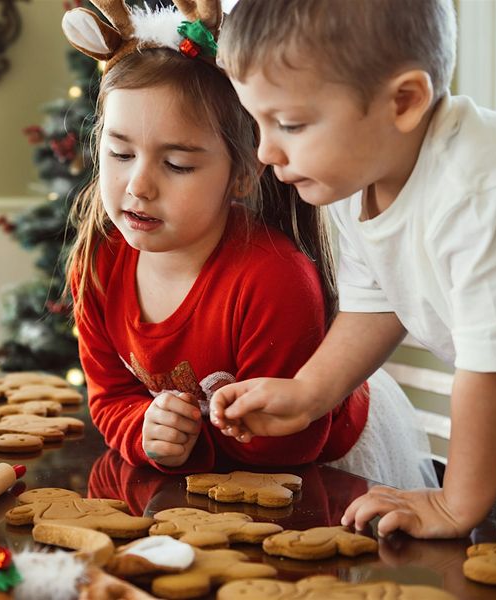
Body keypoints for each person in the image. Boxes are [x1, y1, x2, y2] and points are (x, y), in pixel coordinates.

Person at [211, 0, 496, 564]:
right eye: (258, 121)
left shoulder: (487, 189)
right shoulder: (352, 180)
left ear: (404, 101)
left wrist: (454, 503)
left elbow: (493, 370)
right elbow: (377, 305)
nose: (264, 151)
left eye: (292, 124)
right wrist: (309, 394)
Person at [63, 0, 434, 489]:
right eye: (120, 153)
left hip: (320, 475)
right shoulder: (98, 264)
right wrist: (145, 431)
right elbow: (110, 398)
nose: (139, 185)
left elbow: (291, 444)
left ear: (242, 173)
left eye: (177, 165)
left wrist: (192, 442)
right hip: (207, 482)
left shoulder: (275, 280)